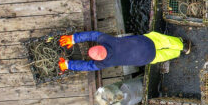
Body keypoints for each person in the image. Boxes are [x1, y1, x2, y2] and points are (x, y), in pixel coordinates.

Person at [57, 30, 189, 72]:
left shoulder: (103, 64)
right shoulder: (107, 39)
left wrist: (68, 65)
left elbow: (86, 66)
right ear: (100, 46)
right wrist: (73, 38)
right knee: (163, 40)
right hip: (146, 42)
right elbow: (92, 35)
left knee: (163, 55)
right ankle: (182, 46)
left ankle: (177, 53)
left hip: (146, 58)